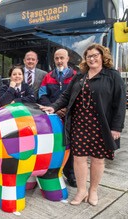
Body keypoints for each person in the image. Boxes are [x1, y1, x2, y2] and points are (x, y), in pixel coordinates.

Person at [40, 44, 126, 206]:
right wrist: (54, 107)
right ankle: (81, 191)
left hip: (101, 125)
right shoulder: (80, 76)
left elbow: (120, 103)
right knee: (78, 159)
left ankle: (93, 191)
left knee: (98, 159)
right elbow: (66, 95)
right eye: (89, 56)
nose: (92, 59)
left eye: (95, 55)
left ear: (102, 56)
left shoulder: (112, 76)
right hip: (79, 124)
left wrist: (116, 127)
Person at [38, 48, 77, 187]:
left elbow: (79, 96)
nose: (59, 61)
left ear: (67, 59)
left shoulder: (76, 76)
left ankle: (70, 174)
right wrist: (54, 108)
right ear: (54, 60)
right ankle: (51, 172)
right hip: (53, 118)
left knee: (70, 146)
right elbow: (42, 95)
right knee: (53, 146)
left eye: (62, 58)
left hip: (70, 116)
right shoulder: (48, 76)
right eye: (57, 58)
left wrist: (66, 109)